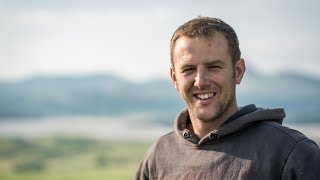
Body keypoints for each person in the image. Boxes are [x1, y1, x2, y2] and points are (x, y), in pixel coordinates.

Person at [134, 17, 320, 179]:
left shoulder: (291, 152)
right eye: (189, 69)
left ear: (238, 71)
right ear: (175, 78)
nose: (200, 81)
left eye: (214, 67)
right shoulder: (158, 156)